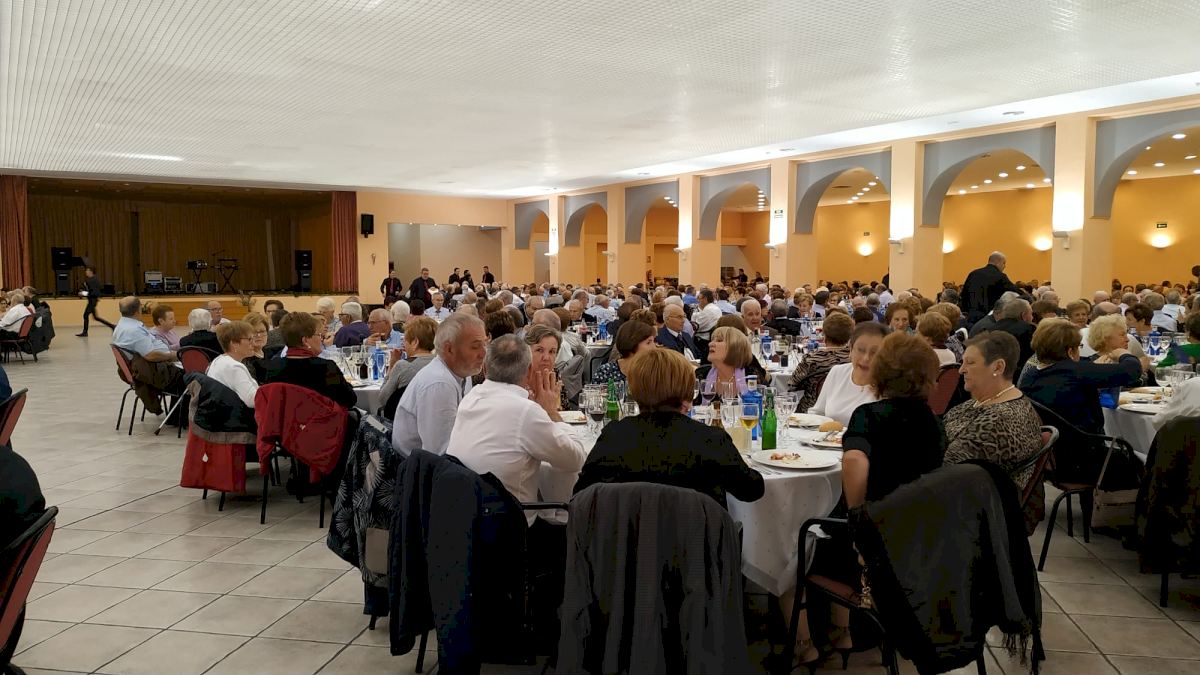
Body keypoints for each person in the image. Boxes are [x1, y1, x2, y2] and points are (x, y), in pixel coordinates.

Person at [574, 348, 764, 507]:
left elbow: (581, 493)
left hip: (626, 539)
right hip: (696, 539)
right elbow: (752, 490)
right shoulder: (709, 440)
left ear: (634, 388)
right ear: (687, 388)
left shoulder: (615, 435)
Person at [447, 334, 586, 525]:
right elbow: (575, 460)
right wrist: (551, 413)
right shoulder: (524, 411)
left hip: (467, 514)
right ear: (529, 370)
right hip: (509, 523)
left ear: (485, 368)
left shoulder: (471, 398)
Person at [1018, 318, 1141, 482]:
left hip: (1048, 458)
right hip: (1085, 459)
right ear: (1070, 351)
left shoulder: (1031, 375)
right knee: (1140, 462)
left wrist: (1092, 364)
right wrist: (1123, 354)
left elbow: (1081, 367)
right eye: (1079, 347)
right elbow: (1133, 370)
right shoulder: (1076, 372)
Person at [943, 332, 1043, 523]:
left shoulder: (999, 420)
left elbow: (948, 471)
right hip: (964, 497)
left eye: (970, 363)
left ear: (998, 367)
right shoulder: (985, 402)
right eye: (963, 362)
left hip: (976, 514)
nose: (961, 370)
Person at [841, 331, 945, 508]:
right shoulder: (933, 420)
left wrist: (856, 513)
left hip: (879, 516)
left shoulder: (868, 415)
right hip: (921, 517)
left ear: (879, 371)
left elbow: (854, 459)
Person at [392, 313, 488, 455]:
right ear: (449, 349)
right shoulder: (439, 384)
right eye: (475, 347)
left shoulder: (460, 374)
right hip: (416, 466)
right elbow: (440, 452)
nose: (484, 353)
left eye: (485, 344)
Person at [263, 312, 356, 408]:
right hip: (320, 417)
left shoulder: (273, 367)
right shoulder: (325, 367)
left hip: (285, 417)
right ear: (305, 341)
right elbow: (349, 400)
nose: (321, 340)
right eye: (319, 335)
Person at [111, 296, 183, 413]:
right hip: (152, 373)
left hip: (142, 370)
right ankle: (178, 417)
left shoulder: (121, 325)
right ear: (138, 311)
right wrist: (172, 355)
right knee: (190, 377)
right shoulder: (134, 329)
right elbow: (150, 355)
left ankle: (176, 416)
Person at [808, 322, 887, 426]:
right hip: (827, 436)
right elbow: (817, 413)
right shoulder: (837, 372)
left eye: (874, 352)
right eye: (861, 350)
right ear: (850, 350)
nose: (866, 358)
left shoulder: (889, 384)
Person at [789, 312, 853, 411]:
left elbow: (792, 384)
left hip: (811, 410)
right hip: (845, 409)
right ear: (849, 337)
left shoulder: (812, 358)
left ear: (824, 335)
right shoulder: (854, 360)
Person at [378, 316, 438, 409]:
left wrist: (392, 365)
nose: (404, 344)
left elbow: (383, 399)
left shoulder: (403, 366)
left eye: (405, 340)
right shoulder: (441, 364)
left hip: (405, 414)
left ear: (415, 342)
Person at [208, 321, 260, 408]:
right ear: (234, 344)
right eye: (249, 339)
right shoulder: (234, 367)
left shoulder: (218, 360)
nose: (253, 343)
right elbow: (253, 401)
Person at [960, 251, 1021, 325]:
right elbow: (1016, 292)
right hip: (989, 319)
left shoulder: (973, 274)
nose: (1005, 266)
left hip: (970, 317)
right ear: (998, 262)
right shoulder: (1000, 276)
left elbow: (964, 294)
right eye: (1004, 263)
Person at [702, 326, 764, 397]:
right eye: (712, 340)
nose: (710, 344)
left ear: (735, 348)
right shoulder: (702, 376)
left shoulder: (750, 376)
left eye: (719, 340)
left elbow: (766, 401)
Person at [591, 320, 656, 386]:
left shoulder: (653, 371)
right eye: (648, 342)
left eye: (653, 341)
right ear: (632, 344)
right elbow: (593, 391)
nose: (654, 347)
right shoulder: (606, 372)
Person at [525, 324, 572, 410]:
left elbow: (565, 412)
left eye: (552, 352)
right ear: (527, 352)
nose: (546, 358)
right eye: (539, 350)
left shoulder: (554, 376)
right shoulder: (517, 379)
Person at [76, 266, 115, 336]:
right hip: (92, 300)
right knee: (96, 317)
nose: (86, 272)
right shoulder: (93, 280)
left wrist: (83, 293)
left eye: (87, 270)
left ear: (91, 271)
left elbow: (94, 292)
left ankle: (85, 332)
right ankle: (112, 326)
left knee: (85, 315)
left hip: (92, 301)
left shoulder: (92, 281)